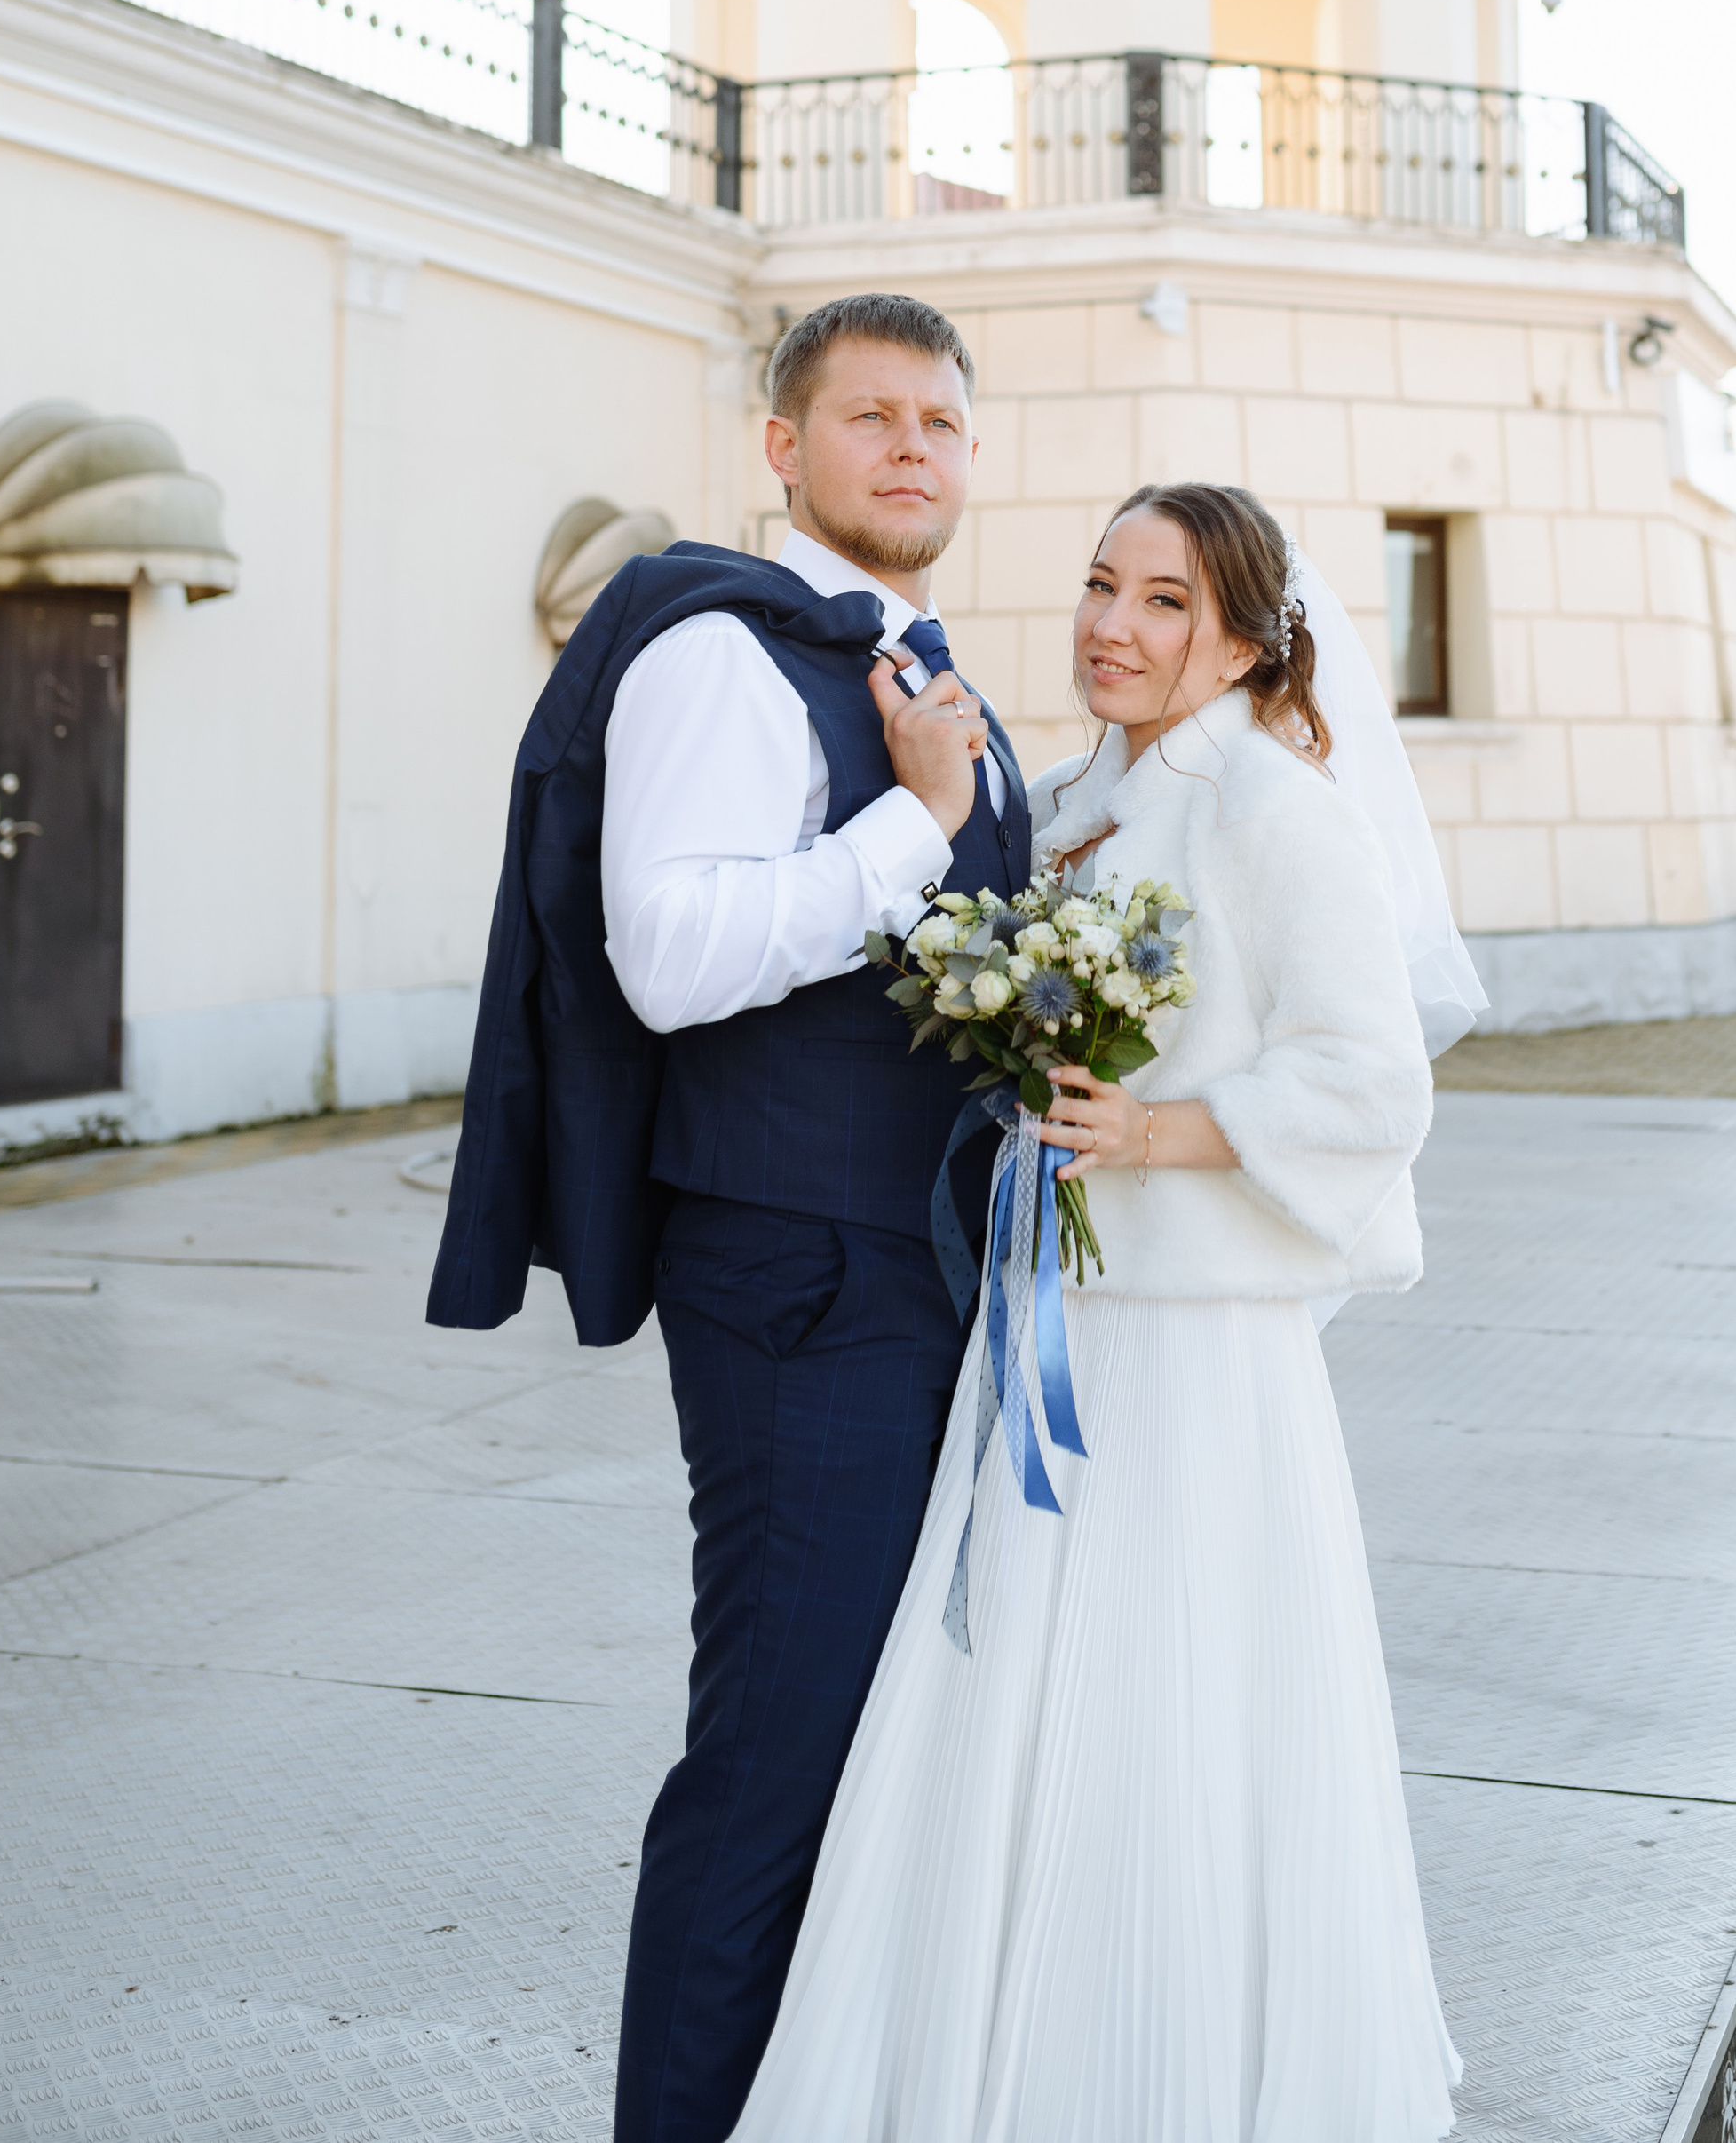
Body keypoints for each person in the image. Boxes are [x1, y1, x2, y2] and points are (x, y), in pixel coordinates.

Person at [734, 480, 1469, 2143]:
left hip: (1197, 1356)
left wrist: (1157, 1133)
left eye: (1163, 601)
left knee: (1179, 1709)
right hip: (1046, 1319)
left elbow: (1374, 1085)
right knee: (1008, 1687)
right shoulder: (1064, 798)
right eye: (1099, 584)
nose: (1111, 626)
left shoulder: (1277, 811)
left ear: (1245, 644)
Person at [426, 291, 1028, 2143]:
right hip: (799, 1278)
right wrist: (916, 826)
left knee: (859, 1754)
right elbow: (674, 955)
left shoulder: (922, 667)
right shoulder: (719, 650)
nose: (913, 447)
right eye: (871, 417)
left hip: (919, 1272)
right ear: (784, 446)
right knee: (773, 1756)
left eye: (941, 420)